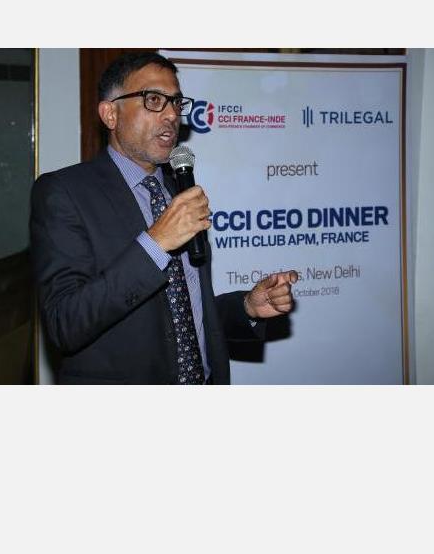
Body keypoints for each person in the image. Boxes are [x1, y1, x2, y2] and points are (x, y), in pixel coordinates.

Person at [30, 52, 298, 384]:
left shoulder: (179, 190)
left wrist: (247, 307)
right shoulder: (64, 193)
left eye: (176, 102)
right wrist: (155, 244)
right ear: (110, 113)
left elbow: (184, 315)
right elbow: (65, 324)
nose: (171, 114)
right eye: (154, 100)